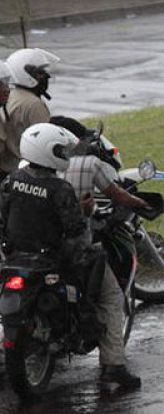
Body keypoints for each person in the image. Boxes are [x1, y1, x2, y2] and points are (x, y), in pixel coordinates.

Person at [0, 122, 142, 390]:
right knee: (111, 296)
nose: (66, 155)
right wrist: (86, 211)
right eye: (62, 151)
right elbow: (76, 231)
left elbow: (3, 218)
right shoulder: (59, 189)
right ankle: (113, 365)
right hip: (56, 260)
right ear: (48, 152)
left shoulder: (11, 181)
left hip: (18, 258)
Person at [1, 48, 59, 177]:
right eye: (39, 73)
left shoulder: (12, 95)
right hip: (27, 172)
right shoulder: (34, 105)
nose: (46, 76)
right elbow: (47, 144)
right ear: (24, 74)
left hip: (8, 166)